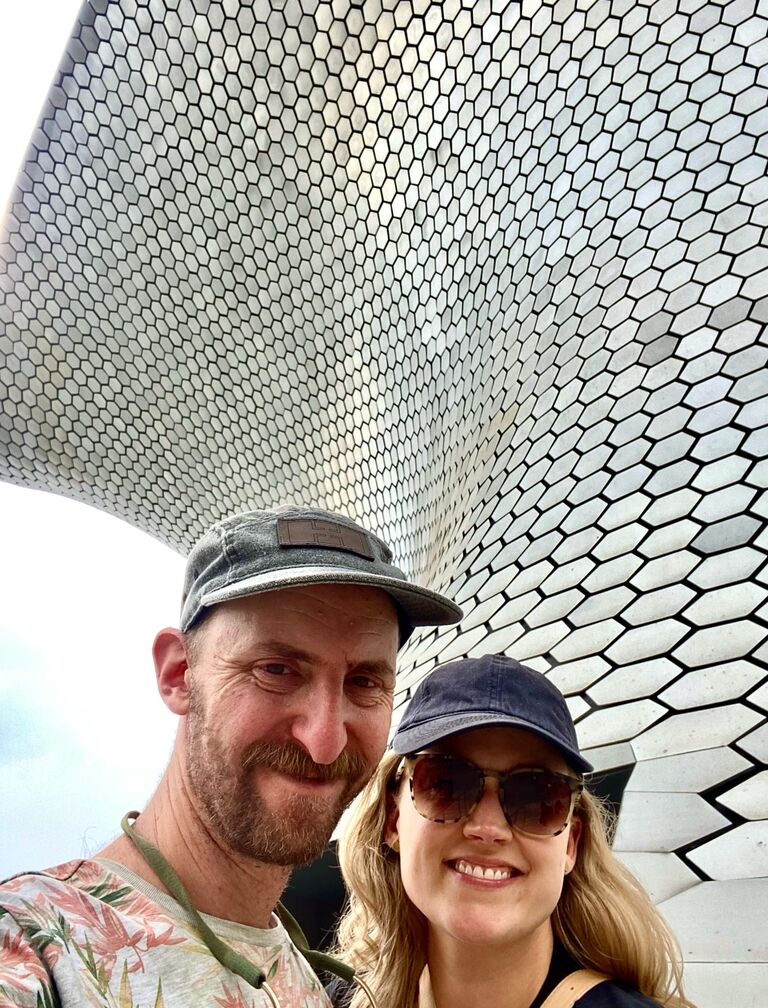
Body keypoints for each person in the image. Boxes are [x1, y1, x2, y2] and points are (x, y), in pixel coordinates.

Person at [0, 505, 461, 1008]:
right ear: (179, 674)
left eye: (365, 682)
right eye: (277, 669)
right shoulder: (35, 945)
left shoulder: (309, 984)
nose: (324, 741)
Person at [328, 655, 696, 1008]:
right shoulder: (333, 998)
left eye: (537, 796)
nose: (488, 828)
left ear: (570, 843)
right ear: (394, 819)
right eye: (446, 784)